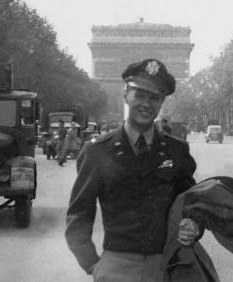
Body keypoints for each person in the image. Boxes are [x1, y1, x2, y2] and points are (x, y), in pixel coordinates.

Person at [65, 59, 200, 281]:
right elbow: (78, 215)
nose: (146, 104)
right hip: (116, 268)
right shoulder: (97, 152)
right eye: (140, 95)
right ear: (125, 95)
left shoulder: (177, 151)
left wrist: (194, 224)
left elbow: (192, 203)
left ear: (161, 103)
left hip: (164, 267)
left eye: (154, 98)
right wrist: (92, 264)